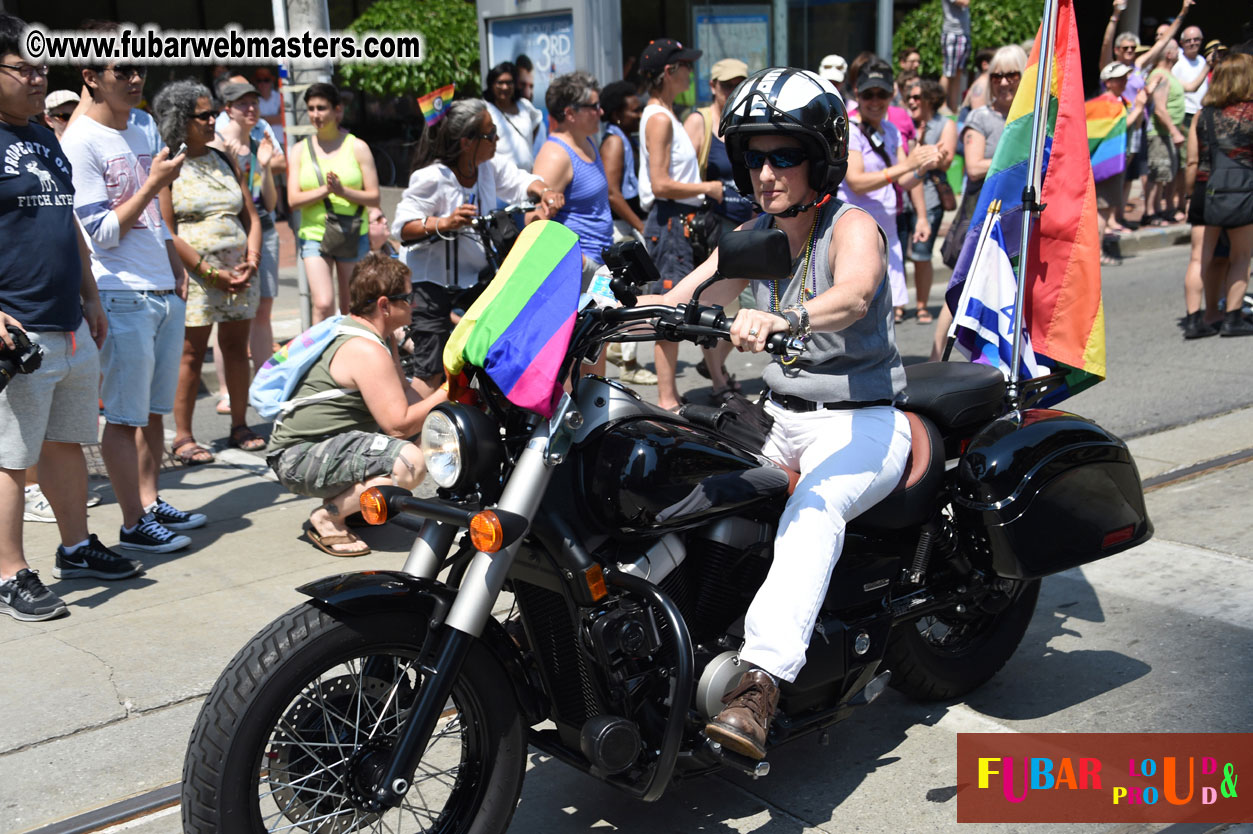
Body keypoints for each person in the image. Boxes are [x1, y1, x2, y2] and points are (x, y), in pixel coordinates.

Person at [647, 68, 912, 760]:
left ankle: (758, 686)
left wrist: (785, 317)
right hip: (779, 415)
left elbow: (853, 296)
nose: (765, 172)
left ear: (818, 158)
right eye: (754, 157)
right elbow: (688, 293)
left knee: (810, 512)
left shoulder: (851, 225)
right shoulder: (760, 232)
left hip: (860, 421)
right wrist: (591, 314)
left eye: (783, 155)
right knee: (689, 492)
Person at [0, 13, 144, 622]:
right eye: (24, 68)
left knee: (65, 441)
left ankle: (77, 547)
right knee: (10, 454)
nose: (38, 79)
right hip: (19, 325)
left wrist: (88, 297)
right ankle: (9, 572)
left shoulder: (41, 137)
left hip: (68, 318)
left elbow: (69, 227)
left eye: (42, 67)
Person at [62, 55, 208, 555]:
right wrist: (153, 184)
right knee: (123, 418)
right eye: (121, 70)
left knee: (152, 411)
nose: (134, 78)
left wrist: (173, 257)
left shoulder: (143, 123)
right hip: (119, 291)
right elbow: (99, 233)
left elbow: (154, 213)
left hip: (159, 285)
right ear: (90, 78)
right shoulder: (79, 141)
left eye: (139, 68)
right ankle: (131, 523)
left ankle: (149, 501)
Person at [266, 254, 445, 556]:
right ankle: (329, 517)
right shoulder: (364, 349)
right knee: (410, 463)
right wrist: (449, 390)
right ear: (385, 305)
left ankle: (354, 508)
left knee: (425, 437)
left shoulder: (376, 337)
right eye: (408, 297)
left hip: (323, 447)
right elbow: (398, 425)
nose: (414, 304)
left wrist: (442, 411)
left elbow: (404, 394)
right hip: (299, 457)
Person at [392, 99, 562, 393]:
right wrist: (444, 222)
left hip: (475, 277)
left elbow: (519, 181)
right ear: (467, 142)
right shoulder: (432, 177)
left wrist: (544, 191)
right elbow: (403, 227)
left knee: (497, 347)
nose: (497, 140)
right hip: (431, 283)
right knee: (431, 369)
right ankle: (417, 431)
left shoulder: (487, 168)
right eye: (491, 135)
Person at [153, 79, 265, 465]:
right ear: (181, 120)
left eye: (213, 113)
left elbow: (250, 214)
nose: (213, 119)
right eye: (204, 115)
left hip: (240, 271)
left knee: (237, 348)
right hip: (196, 275)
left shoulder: (224, 158)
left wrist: (252, 258)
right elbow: (167, 229)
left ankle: (239, 423)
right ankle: (183, 436)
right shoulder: (168, 164)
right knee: (190, 353)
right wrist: (208, 272)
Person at [636, 38, 725, 412]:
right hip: (669, 219)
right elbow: (659, 184)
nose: (691, 72)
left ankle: (669, 394)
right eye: (686, 65)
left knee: (672, 305)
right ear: (669, 72)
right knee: (668, 308)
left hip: (675, 220)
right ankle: (667, 398)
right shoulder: (659, 119)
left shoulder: (664, 114)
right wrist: (709, 187)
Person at [931, 45, 1027, 360]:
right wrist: (1022, 163)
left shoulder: (1031, 120)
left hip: (1018, 217)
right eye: (996, 75)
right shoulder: (980, 116)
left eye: (1011, 75)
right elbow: (973, 167)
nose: (1003, 82)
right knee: (960, 292)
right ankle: (936, 362)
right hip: (982, 219)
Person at [839, 61, 940, 324]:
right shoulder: (850, 130)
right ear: (857, 93)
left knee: (885, 316)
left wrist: (920, 169)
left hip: (887, 232)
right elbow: (857, 182)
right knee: (857, 312)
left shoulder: (892, 130)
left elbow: (905, 179)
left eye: (881, 94)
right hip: (855, 233)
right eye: (868, 94)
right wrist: (907, 165)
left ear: (891, 95)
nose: (875, 101)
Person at [684, 57, 755, 400]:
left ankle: (714, 366)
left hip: (753, 221)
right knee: (716, 306)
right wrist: (708, 190)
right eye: (727, 85)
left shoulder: (749, 117)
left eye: (739, 84)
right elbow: (682, 176)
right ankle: (716, 378)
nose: (733, 91)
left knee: (757, 306)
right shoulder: (700, 121)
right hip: (719, 224)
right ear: (713, 86)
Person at [288, 82, 380, 323]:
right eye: (311, 109)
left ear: (337, 110)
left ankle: (348, 354)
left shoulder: (357, 147)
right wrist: (326, 191)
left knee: (352, 305)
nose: (316, 115)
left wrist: (342, 191)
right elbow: (293, 200)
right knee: (323, 302)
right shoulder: (299, 150)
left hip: (351, 231)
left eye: (322, 108)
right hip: (314, 233)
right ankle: (318, 358)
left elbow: (373, 197)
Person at [1181, 52, 1253, 338]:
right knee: (1241, 256)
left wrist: (1190, 195)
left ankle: (1193, 320)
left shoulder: (1202, 115)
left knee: (1199, 257)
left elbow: (1191, 162)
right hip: (1242, 191)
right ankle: (1233, 318)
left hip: (1204, 189)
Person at [215, 80, 282, 381]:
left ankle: (263, 385)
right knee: (229, 317)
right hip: (230, 236)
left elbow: (269, 202)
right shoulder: (215, 146)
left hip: (264, 231)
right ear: (227, 109)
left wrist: (265, 167)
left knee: (263, 312)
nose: (251, 108)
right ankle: (228, 390)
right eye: (243, 103)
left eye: (254, 101)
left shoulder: (258, 144)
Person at [600, 80, 659, 386]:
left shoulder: (622, 137)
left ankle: (618, 350)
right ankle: (630, 363)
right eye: (634, 110)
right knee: (630, 293)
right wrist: (639, 225)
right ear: (618, 114)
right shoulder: (613, 141)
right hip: (620, 227)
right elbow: (612, 193)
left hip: (626, 224)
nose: (640, 114)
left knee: (625, 293)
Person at [532, 71, 614, 281]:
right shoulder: (555, 155)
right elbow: (534, 223)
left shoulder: (588, 141)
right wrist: (580, 261)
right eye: (594, 106)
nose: (601, 111)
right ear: (570, 113)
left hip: (602, 262)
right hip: (580, 269)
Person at [905, 77, 957, 322]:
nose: (911, 101)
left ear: (929, 99)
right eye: (910, 97)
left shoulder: (944, 124)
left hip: (930, 197)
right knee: (900, 252)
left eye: (917, 97)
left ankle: (922, 305)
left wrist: (923, 156)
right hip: (900, 196)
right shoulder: (905, 124)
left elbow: (944, 161)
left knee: (922, 253)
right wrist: (929, 154)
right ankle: (898, 304)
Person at [1090, 63, 1148, 265]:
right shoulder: (1106, 103)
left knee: (1105, 210)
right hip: (1105, 166)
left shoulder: (1121, 101)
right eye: (1119, 78)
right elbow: (1120, 128)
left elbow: (1134, 125)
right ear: (1108, 82)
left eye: (1125, 77)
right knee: (1102, 211)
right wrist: (1139, 107)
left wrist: (1138, 108)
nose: (1124, 81)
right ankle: (1097, 254)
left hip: (1116, 163)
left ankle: (1098, 251)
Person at [1146, 41, 1189, 224]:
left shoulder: (1169, 76)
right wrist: (1174, 132)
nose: (1180, 53)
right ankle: (1150, 214)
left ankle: (1160, 211)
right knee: (1157, 176)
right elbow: (1160, 109)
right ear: (1169, 54)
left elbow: (1192, 87)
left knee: (1163, 175)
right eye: (1177, 50)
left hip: (1167, 134)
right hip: (1159, 134)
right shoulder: (1160, 76)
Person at [484, 62, 543, 173]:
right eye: (500, 83)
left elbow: (537, 122)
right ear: (491, 85)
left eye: (509, 83)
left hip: (527, 176)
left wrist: (526, 143)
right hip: (501, 179)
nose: (505, 87)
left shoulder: (524, 105)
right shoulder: (486, 110)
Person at [941, 0, 972, 112]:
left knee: (958, 72)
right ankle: (941, 105)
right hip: (952, 34)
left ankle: (953, 107)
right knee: (948, 72)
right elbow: (964, 2)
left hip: (963, 33)